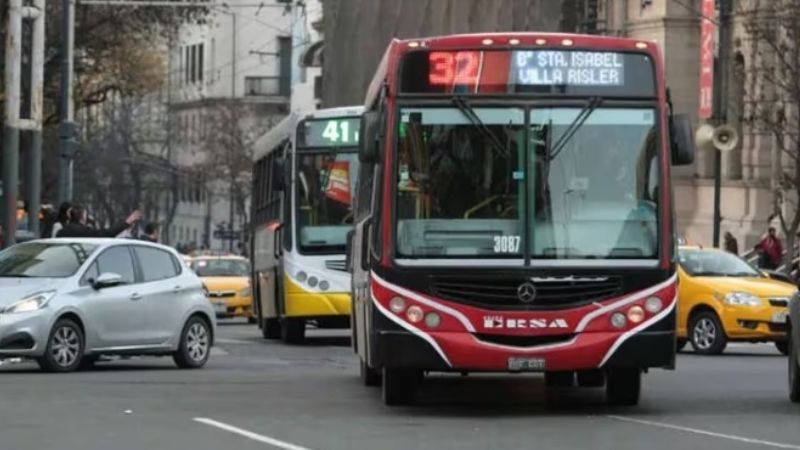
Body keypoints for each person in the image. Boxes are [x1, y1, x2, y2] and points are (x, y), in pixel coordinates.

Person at [57, 205, 142, 238]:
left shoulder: (60, 233)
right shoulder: (84, 232)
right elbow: (107, 233)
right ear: (83, 216)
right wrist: (127, 222)